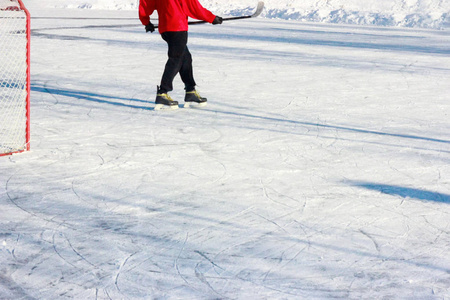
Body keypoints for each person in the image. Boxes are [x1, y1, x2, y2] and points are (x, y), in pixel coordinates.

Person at [139, 0, 223, 109]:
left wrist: (146, 22)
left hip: (165, 28)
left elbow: (145, 3)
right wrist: (211, 18)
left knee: (185, 58)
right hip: (177, 27)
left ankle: (190, 91)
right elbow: (193, 7)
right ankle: (162, 92)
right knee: (176, 59)